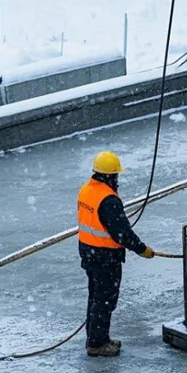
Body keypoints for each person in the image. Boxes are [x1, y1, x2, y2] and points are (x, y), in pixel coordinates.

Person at [77, 151, 156, 357]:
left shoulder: (87, 190)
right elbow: (122, 233)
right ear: (110, 176)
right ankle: (97, 344)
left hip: (89, 253)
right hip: (105, 257)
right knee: (105, 300)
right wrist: (142, 249)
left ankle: (96, 337)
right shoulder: (108, 199)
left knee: (95, 297)